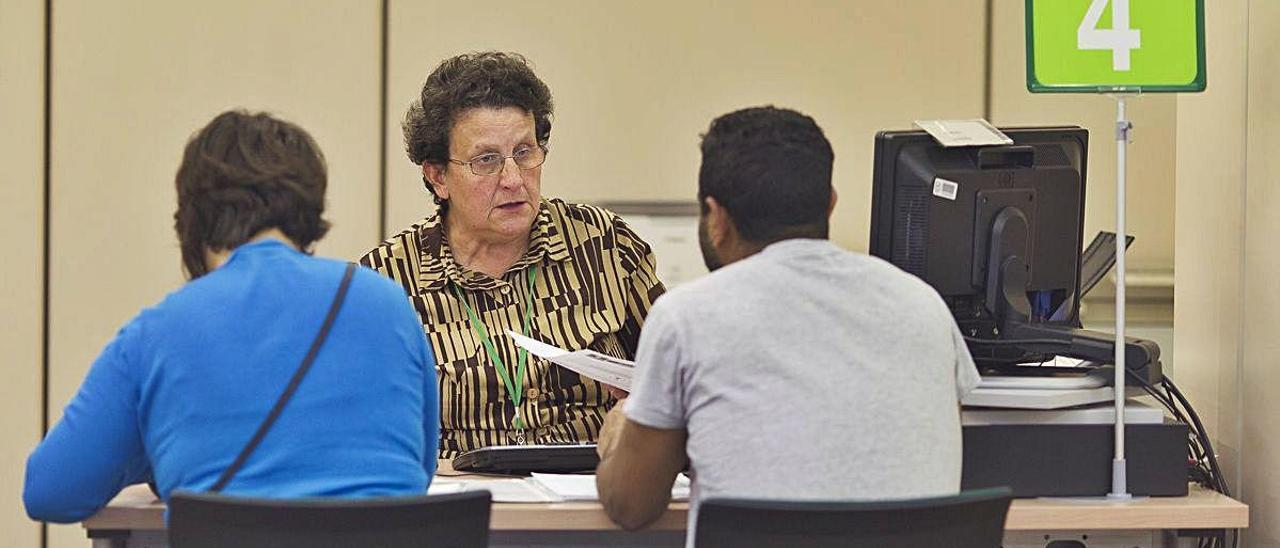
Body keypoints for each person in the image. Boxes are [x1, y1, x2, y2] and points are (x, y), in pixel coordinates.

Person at [24, 111, 439, 523]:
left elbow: (49, 493)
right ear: (312, 209)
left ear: (191, 219)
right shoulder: (387, 303)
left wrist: (157, 453)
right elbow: (418, 472)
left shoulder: (158, 330)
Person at [595, 106, 982, 534]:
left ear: (716, 218)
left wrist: (622, 429)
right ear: (831, 203)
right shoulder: (923, 305)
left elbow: (631, 506)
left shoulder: (687, 317)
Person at [360, 51, 665, 457]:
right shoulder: (385, 280)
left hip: (595, 497)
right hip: (461, 503)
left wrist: (646, 407)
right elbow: (365, 433)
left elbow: (683, 381)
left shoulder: (606, 245)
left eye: (524, 152)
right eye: (486, 160)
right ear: (437, 177)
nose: (512, 179)